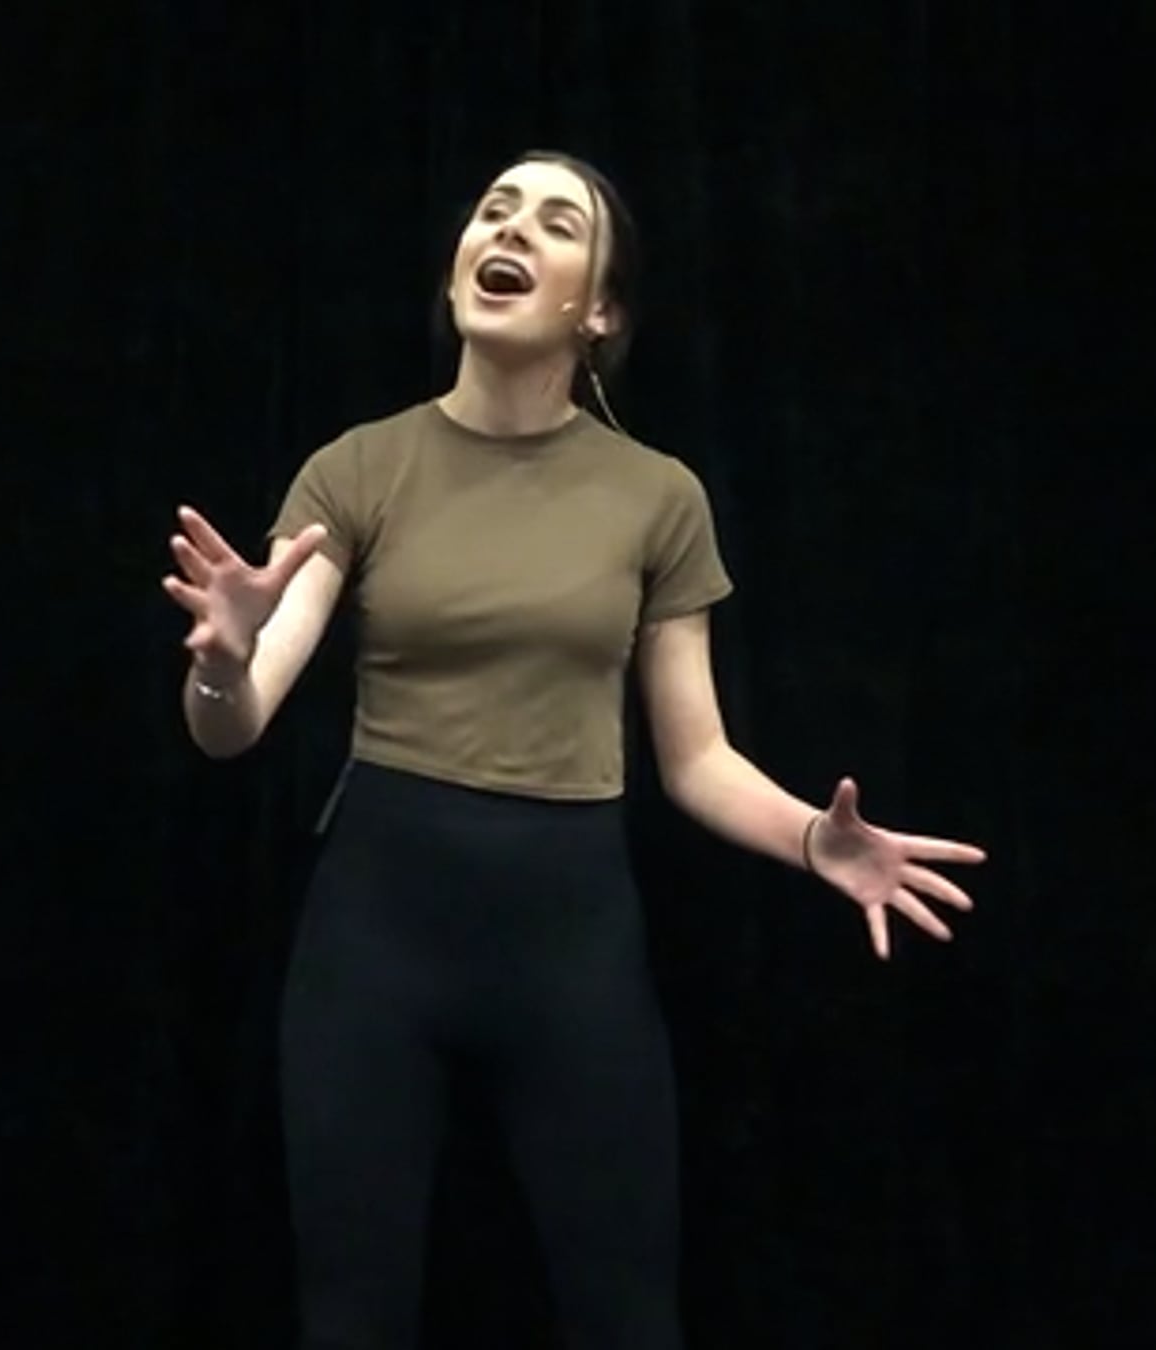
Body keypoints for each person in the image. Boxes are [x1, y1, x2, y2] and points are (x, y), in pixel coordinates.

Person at [160, 150, 988, 1350]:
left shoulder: (657, 497)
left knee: (626, 1316)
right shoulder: (358, 467)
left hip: (570, 954)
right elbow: (230, 728)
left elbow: (694, 759)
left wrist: (817, 841)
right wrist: (224, 659)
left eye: (556, 223)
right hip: (374, 944)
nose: (510, 230)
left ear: (597, 309)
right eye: (495, 210)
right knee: (352, 1318)